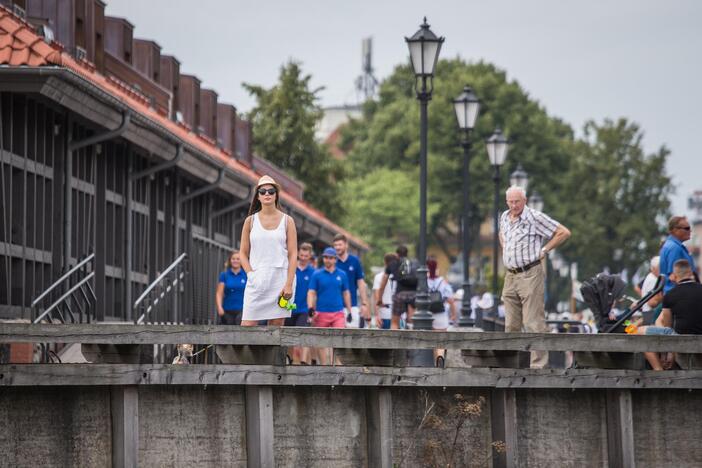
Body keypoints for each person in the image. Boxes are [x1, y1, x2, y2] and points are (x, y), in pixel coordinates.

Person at [500, 185, 571, 368]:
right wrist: (507, 249)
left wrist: (545, 249)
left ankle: (539, 367)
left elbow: (563, 232)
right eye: (511, 201)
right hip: (510, 274)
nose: (514, 205)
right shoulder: (504, 217)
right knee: (511, 325)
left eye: (517, 201)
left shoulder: (534, 216)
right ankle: (512, 365)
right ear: (506, 201)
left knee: (533, 322)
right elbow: (502, 234)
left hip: (530, 272)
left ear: (525, 201)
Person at [239, 175, 298, 327]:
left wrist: (289, 284)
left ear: (276, 195)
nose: (267, 194)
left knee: (276, 329)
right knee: (247, 326)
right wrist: (251, 275)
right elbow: (243, 253)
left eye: (271, 191)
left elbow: (293, 255)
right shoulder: (250, 221)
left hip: (281, 279)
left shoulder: (287, 221)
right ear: (257, 196)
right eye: (263, 191)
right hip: (256, 278)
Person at [637, 259, 702, 370]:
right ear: (691, 273)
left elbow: (668, 324)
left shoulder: (670, 295)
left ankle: (658, 370)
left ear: (675, 275)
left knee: (639, 331)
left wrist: (669, 352)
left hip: (680, 338)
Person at [307, 247, 352, 365]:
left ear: (335, 259)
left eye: (331, 258)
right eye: (326, 257)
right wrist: (310, 308)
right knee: (321, 342)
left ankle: (337, 367)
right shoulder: (317, 274)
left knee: (338, 340)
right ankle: (324, 367)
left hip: (338, 313)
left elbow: (346, 292)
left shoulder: (342, 274)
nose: (328, 260)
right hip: (321, 312)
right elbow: (311, 292)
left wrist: (350, 310)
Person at [285, 242, 315, 364]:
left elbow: (313, 293)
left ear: (310, 256)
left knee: (302, 334)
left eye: (306, 256)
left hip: (303, 309)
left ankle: (303, 362)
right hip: (289, 307)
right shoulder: (291, 268)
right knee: (288, 336)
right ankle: (290, 359)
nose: (303, 258)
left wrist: (312, 309)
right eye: (301, 255)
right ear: (298, 254)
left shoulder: (313, 272)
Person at [333, 234, 370, 328]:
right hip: (335, 306)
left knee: (353, 336)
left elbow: (361, 283)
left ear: (346, 245)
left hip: (352, 305)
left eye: (340, 244)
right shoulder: (331, 262)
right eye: (335, 245)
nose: (337, 247)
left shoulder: (355, 261)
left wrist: (364, 303)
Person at [377, 245, 417, 329]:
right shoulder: (414, 263)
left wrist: (379, 299)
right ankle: (411, 327)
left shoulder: (393, 263)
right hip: (414, 294)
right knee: (412, 320)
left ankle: (394, 339)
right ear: (407, 253)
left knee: (394, 322)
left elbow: (383, 282)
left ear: (397, 254)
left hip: (400, 294)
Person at [427, 258, 457, 367]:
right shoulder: (443, 282)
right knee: (441, 341)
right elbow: (451, 300)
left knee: (433, 342)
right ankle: (441, 358)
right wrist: (454, 314)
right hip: (441, 313)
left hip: (428, 315)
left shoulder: (424, 282)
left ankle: (435, 363)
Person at [659, 216, 697, 293]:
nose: (690, 231)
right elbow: (674, 276)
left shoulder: (670, 245)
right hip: (681, 295)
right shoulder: (675, 248)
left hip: (676, 294)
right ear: (675, 230)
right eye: (687, 228)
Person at [215, 250, 247, 325]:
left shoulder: (246, 275)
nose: (235, 261)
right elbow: (219, 293)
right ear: (230, 260)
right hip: (227, 311)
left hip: (242, 311)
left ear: (241, 261)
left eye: (238, 259)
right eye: (233, 259)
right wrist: (219, 307)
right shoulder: (224, 275)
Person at [373, 253, 397, 329]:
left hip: (384, 312)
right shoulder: (400, 276)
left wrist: (377, 315)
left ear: (385, 262)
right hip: (399, 314)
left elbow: (376, 297)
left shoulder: (379, 277)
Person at [640, 256, 663, 324]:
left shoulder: (650, 277)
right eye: (660, 268)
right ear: (653, 268)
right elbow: (652, 303)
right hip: (651, 314)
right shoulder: (654, 280)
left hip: (648, 313)